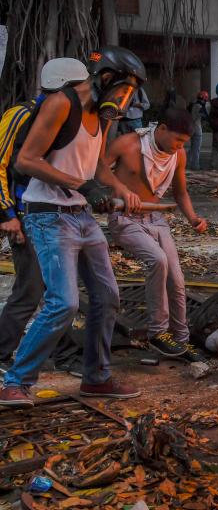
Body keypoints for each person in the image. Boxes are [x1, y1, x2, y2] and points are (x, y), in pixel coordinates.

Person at [0, 45, 149, 407]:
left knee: (107, 296)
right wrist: (80, 185)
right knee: (63, 303)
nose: (124, 102)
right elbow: (27, 160)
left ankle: (96, 378)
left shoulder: (104, 114)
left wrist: (120, 189)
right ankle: (16, 381)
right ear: (106, 78)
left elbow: (96, 166)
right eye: (123, 92)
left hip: (81, 214)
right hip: (46, 214)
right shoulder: (61, 104)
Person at [0, 58, 89, 368]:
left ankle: (62, 354)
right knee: (31, 289)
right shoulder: (21, 114)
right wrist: (7, 214)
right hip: (25, 212)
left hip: (54, 214)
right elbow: (1, 163)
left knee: (59, 290)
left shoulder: (70, 116)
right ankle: (2, 351)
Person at [104, 108, 207, 357]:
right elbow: (97, 170)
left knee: (177, 279)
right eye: (177, 140)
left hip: (156, 219)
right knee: (157, 260)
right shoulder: (127, 144)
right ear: (161, 129)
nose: (179, 146)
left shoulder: (178, 154)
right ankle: (157, 333)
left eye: (184, 142)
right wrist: (117, 189)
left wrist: (193, 218)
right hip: (124, 218)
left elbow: (181, 192)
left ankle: (181, 338)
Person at [187, 91, 208, 170]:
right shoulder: (199, 106)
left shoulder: (193, 105)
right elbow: (205, 116)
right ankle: (195, 166)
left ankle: (187, 162)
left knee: (193, 147)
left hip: (191, 128)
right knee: (196, 149)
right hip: (197, 129)